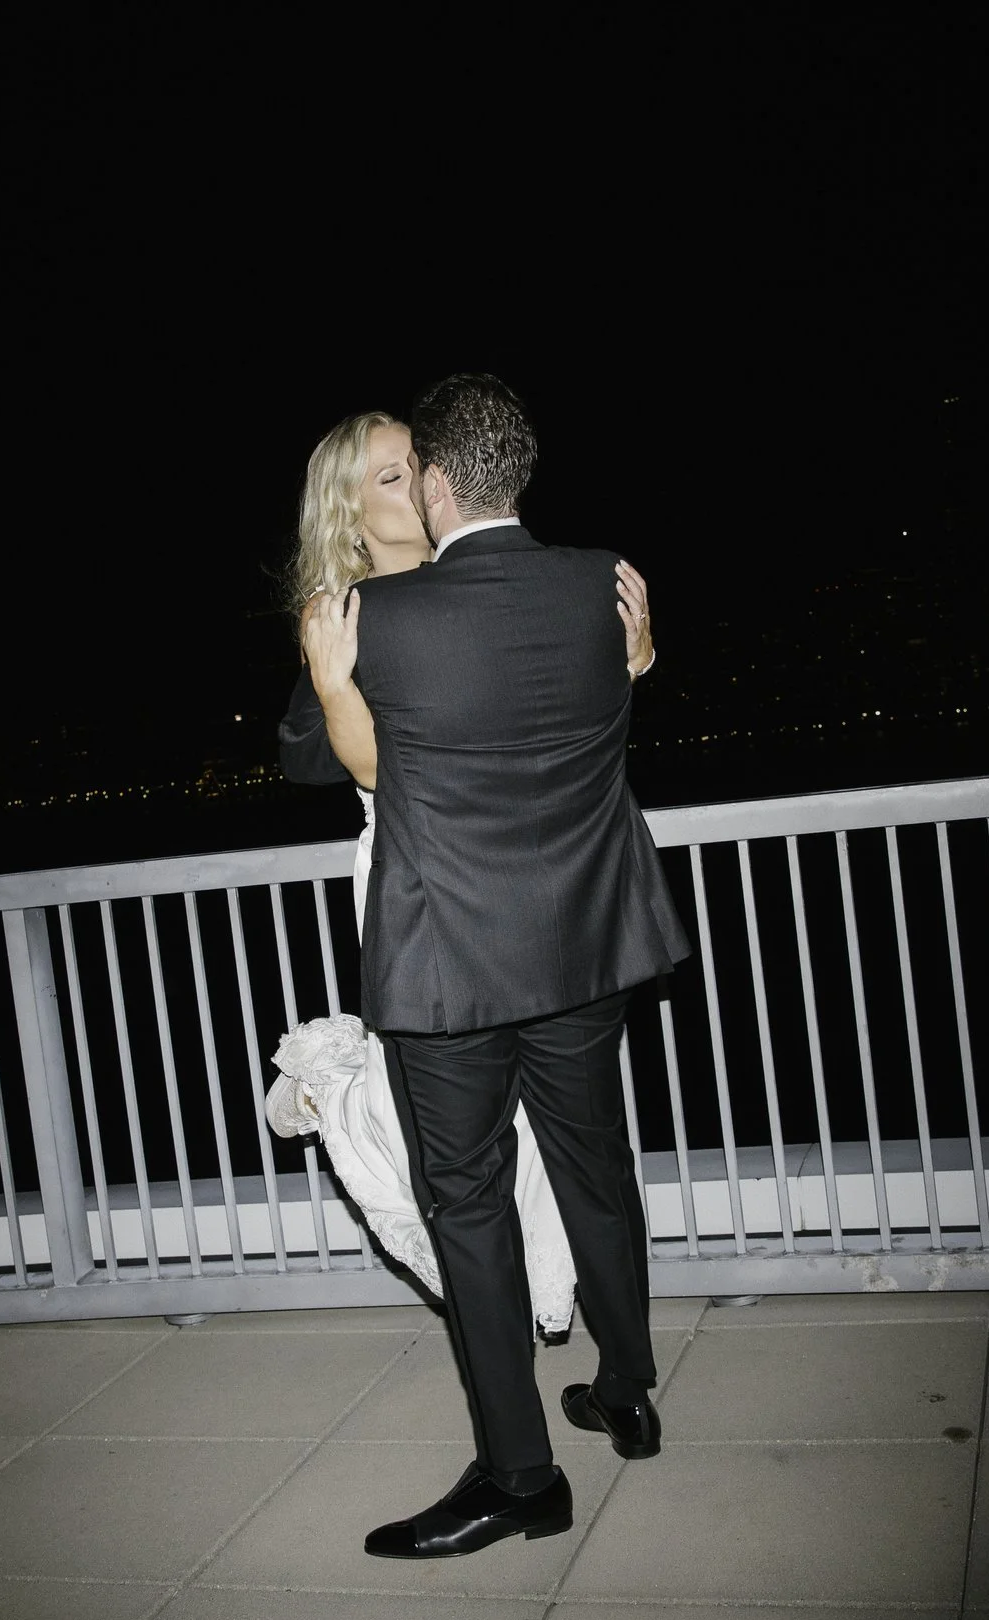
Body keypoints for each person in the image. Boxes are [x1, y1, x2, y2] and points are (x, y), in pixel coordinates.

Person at [278, 376, 688, 1559]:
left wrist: (340, 683)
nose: (407, 483)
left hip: (450, 947)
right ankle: (624, 1380)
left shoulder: (378, 628)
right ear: (355, 507)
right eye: (384, 473)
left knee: (472, 1198)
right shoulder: (574, 580)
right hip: (571, 935)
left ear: (446, 480)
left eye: (415, 464)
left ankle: (521, 1470)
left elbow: (389, 764)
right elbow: (326, 759)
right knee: (588, 1162)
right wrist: (634, 654)